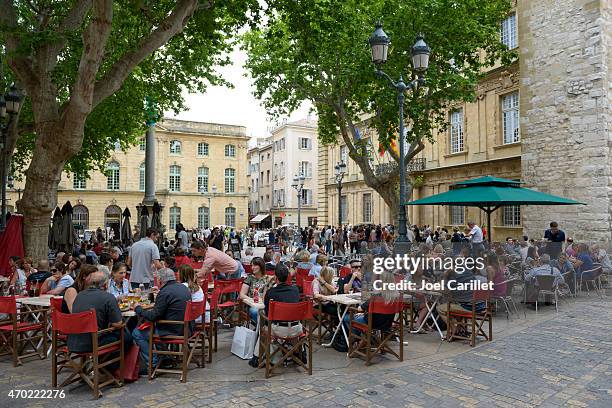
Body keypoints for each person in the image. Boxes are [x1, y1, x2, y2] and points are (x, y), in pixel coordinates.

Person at [132, 268, 192, 373]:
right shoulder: (183, 287)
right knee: (155, 326)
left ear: (161, 281)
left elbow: (153, 316)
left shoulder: (165, 292)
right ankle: (165, 358)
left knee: (137, 333)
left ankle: (152, 364)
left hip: (173, 330)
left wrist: (138, 309)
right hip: (187, 328)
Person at [67, 272, 130, 363]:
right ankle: (109, 367)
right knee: (127, 336)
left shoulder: (79, 295)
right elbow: (117, 324)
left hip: (73, 341)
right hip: (92, 343)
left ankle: (101, 365)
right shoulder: (108, 297)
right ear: (105, 284)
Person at [249, 263, 301, 368]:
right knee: (272, 324)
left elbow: (267, 312)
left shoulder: (271, 293)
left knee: (263, 327)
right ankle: (296, 353)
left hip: (279, 330)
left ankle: (257, 357)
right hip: (297, 329)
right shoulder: (295, 290)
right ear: (288, 277)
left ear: (276, 277)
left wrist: (267, 286)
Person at [347, 270, 400, 347]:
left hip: (372, 323)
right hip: (388, 323)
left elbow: (359, 309)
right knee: (362, 317)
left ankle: (353, 344)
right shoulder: (397, 296)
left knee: (348, 318)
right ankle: (364, 341)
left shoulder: (377, 295)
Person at [239, 257, 269, 324]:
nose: (252, 267)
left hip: (265, 304)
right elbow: (241, 295)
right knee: (254, 311)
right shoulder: (249, 278)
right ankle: (262, 328)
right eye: (252, 265)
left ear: (261, 266)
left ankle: (262, 329)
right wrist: (252, 300)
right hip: (254, 304)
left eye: (255, 265)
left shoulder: (267, 279)